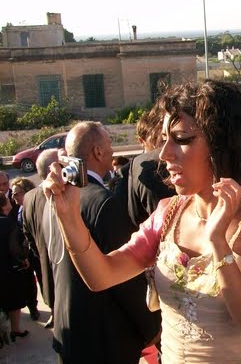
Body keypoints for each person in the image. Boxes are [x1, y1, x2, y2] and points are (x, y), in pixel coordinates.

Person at [42, 81, 241, 364]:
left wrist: (218, 242)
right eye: (164, 139)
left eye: (181, 139)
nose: (164, 154)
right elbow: (101, 275)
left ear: (222, 143)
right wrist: (68, 216)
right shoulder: (168, 213)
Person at [44, 121, 161, 364]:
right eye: (109, 145)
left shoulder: (55, 196)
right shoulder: (104, 202)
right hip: (103, 336)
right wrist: (151, 327)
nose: (112, 151)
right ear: (98, 151)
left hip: (67, 328)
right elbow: (126, 282)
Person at [22, 149, 59, 329]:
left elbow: (27, 232)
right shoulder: (60, 194)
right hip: (66, 271)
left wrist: (39, 254)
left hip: (44, 262)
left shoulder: (28, 197)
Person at [0, 193, 29, 342]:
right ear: (4, 206)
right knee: (14, 301)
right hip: (10, 270)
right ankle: (15, 330)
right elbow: (16, 249)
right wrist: (24, 257)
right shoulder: (9, 224)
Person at [10, 177, 40, 321]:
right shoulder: (20, 208)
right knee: (29, 283)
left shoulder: (35, 207)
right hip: (26, 254)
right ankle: (33, 308)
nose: (13, 197)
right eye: (12, 193)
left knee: (44, 281)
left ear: (27, 192)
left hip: (37, 252)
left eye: (16, 193)